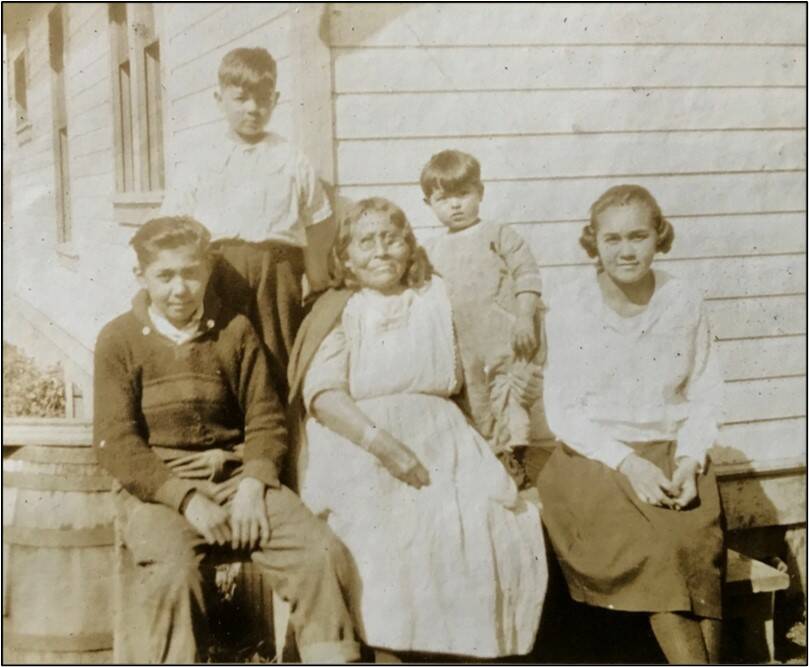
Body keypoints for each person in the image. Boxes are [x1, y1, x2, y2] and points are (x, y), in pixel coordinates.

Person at [287, 197, 547, 659]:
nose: (380, 251)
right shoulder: (340, 309)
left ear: (409, 247)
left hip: (441, 432)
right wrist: (382, 445)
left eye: (391, 238)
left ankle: (463, 653)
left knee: (481, 520)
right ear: (345, 257)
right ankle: (392, 653)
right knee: (387, 532)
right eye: (365, 242)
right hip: (360, 438)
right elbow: (323, 395)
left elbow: (478, 363)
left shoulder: (435, 297)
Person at [93, 216, 359, 663]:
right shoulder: (118, 339)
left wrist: (256, 481)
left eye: (191, 273)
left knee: (322, 553)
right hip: (161, 488)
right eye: (166, 275)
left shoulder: (234, 331)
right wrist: (184, 499)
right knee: (174, 575)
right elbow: (117, 442)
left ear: (207, 271)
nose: (180, 288)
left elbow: (265, 416)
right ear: (141, 276)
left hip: (239, 478)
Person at [537, 184, 725, 663]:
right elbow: (565, 413)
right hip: (595, 461)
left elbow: (705, 392)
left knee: (695, 551)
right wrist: (628, 463)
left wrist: (688, 460)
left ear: (659, 237)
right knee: (663, 553)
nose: (626, 250)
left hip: (672, 455)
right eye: (613, 239)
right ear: (593, 244)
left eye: (638, 236)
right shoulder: (573, 306)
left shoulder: (683, 300)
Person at [160, 47, 334, 400]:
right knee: (224, 349)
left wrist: (317, 278)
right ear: (219, 98)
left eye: (263, 99)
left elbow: (317, 220)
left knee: (277, 351)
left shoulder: (290, 158)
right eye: (240, 98)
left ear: (276, 99)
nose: (253, 109)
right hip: (220, 270)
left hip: (279, 271)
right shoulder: (201, 160)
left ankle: (282, 438)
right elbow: (173, 223)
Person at [421, 150, 544, 485]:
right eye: (444, 199)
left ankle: (515, 456)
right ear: (429, 204)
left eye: (464, 195)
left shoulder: (499, 234)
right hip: (463, 342)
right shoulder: (431, 250)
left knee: (511, 398)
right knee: (476, 400)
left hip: (505, 337)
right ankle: (491, 458)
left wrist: (524, 317)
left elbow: (527, 276)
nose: (456, 206)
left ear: (480, 193)